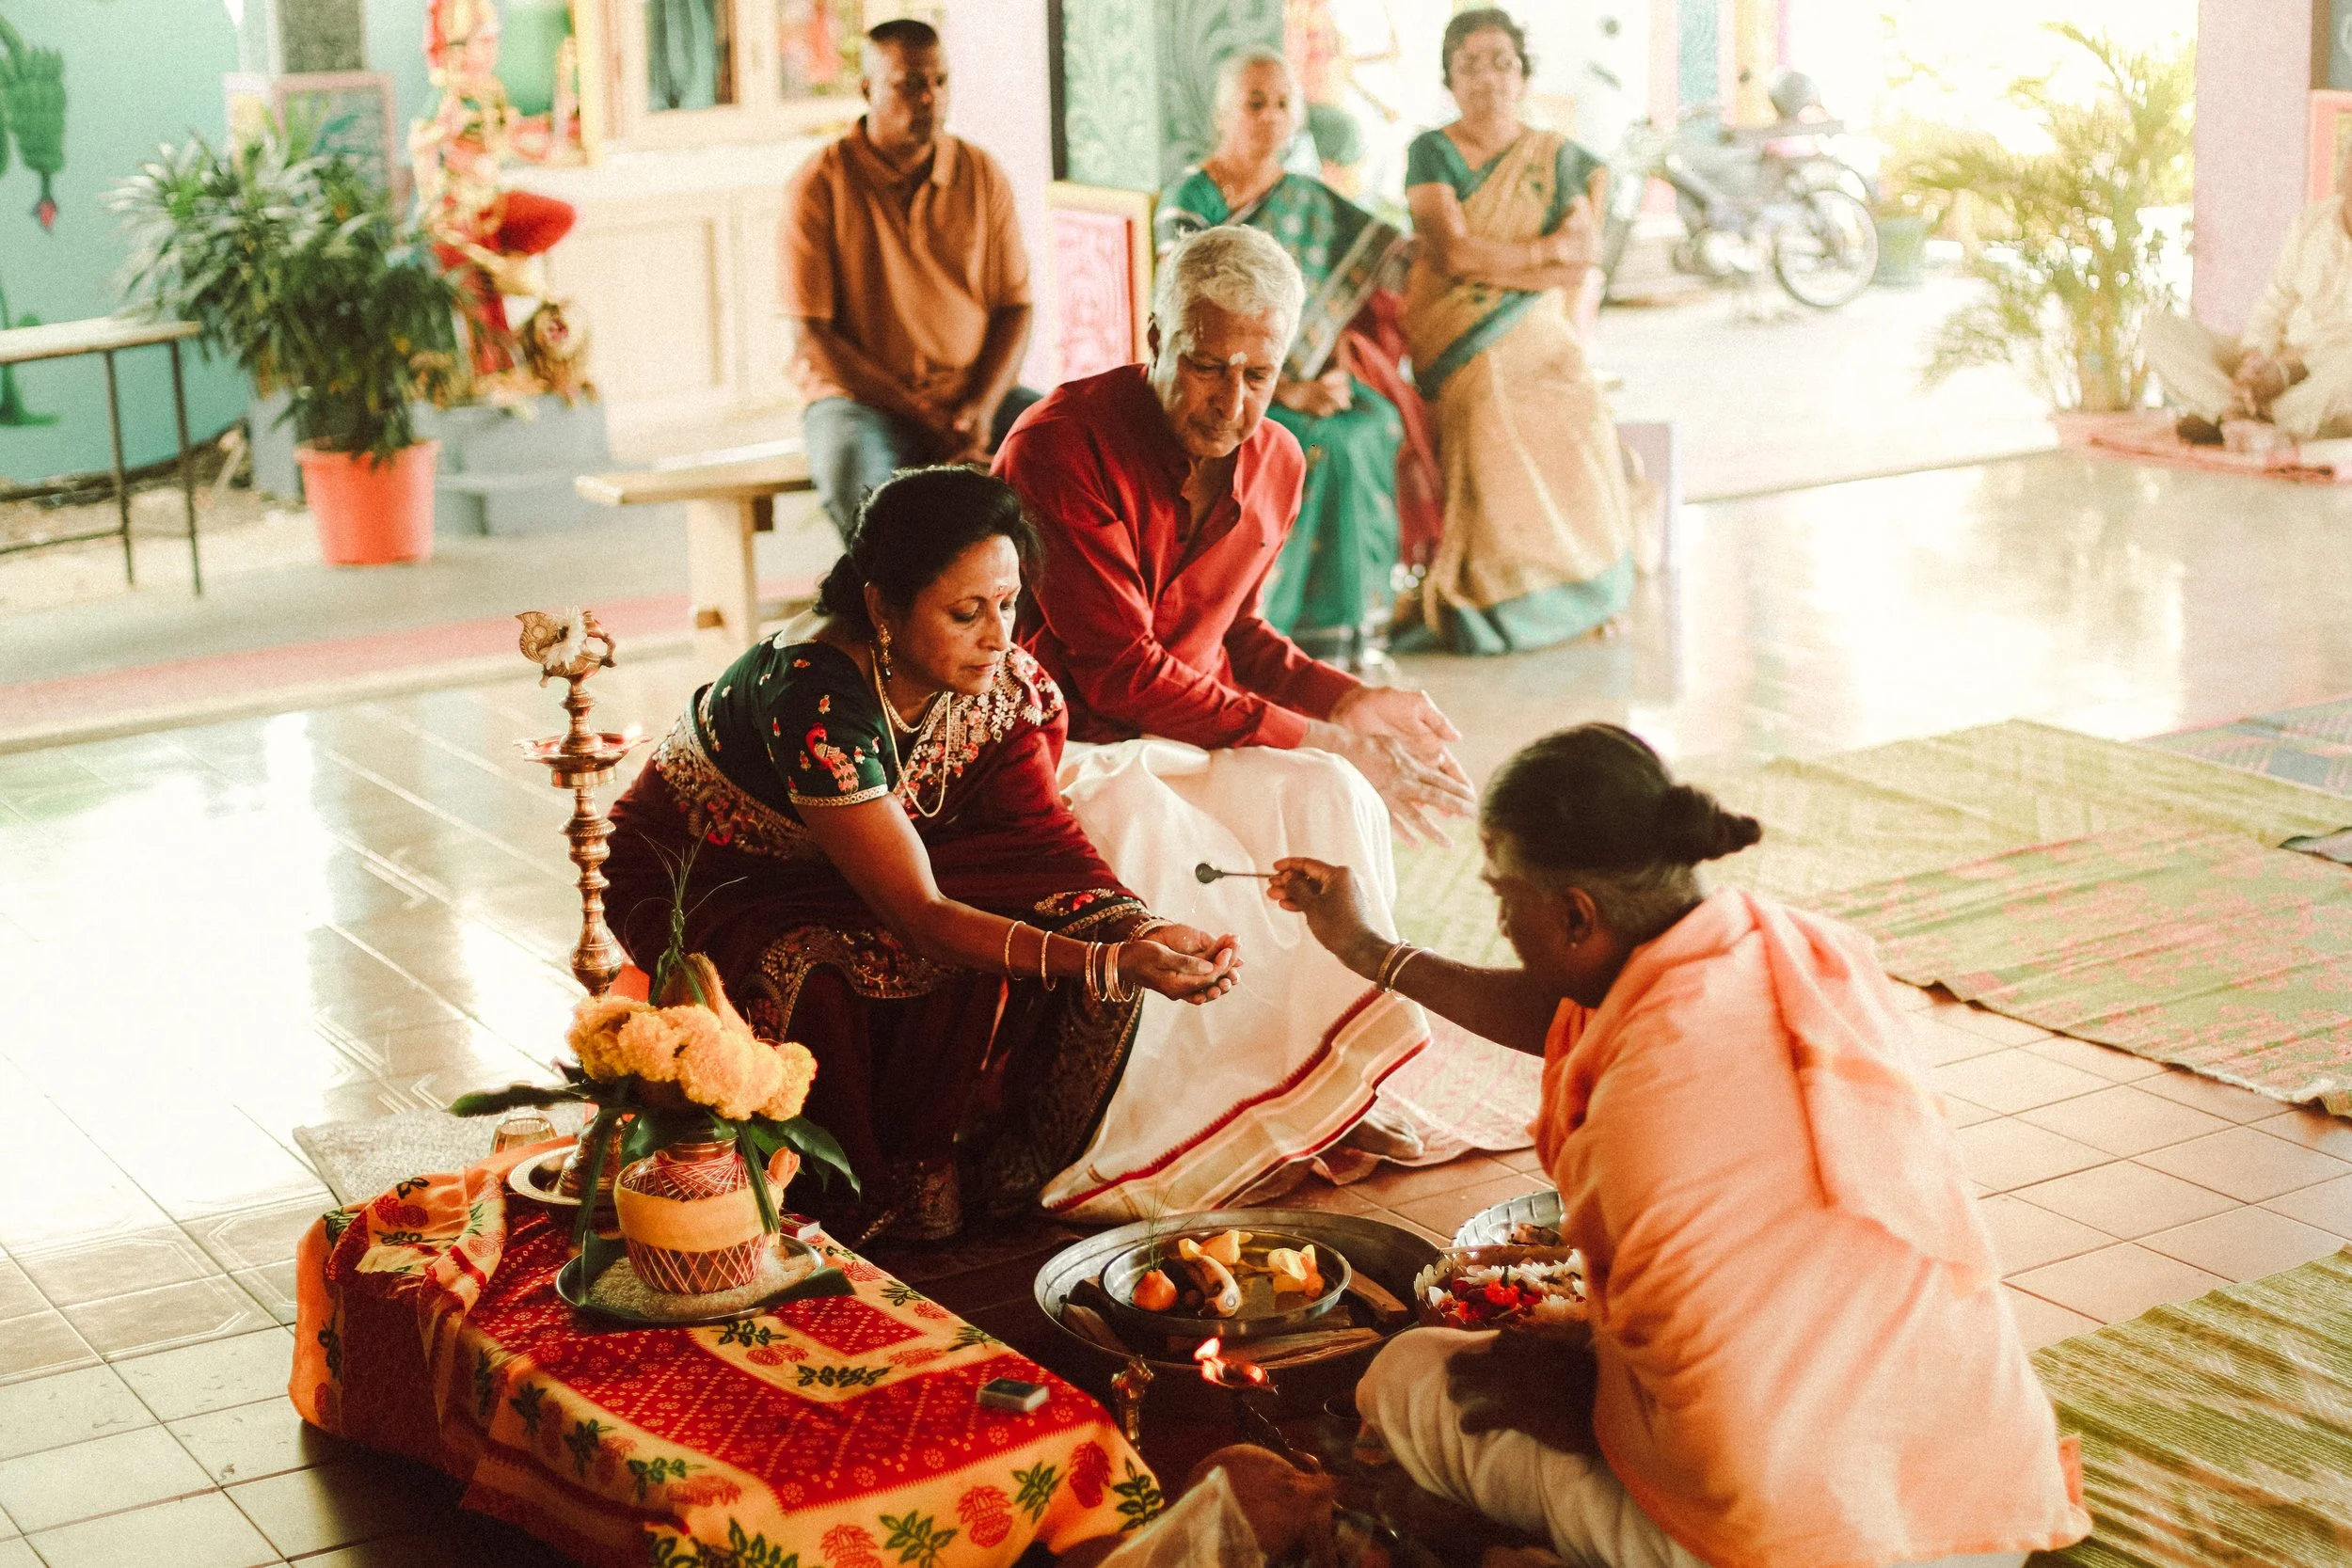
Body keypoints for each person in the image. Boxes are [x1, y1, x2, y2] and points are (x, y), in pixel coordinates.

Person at [1266, 725, 2091, 1568]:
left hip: (1794, 1541)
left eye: (1503, 896)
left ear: (1577, 912)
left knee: (1408, 1381)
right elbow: (1566, 1009)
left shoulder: (1645, 1103)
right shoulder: (1792, 952)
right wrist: (1367, 948)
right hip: (1976, 1505)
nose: (1503, 921)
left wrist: (1583, 1395)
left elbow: (1706, 1441)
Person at [602, 467, 1240, 1245]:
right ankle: (845, 1191)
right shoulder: (817, 701)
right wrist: (1106, 963)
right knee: (818, 965)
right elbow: (924, 914)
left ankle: (978, 1165)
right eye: (966, 611)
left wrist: (1140, 933)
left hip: (874, 855)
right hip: (712, 870)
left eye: (1008, 603)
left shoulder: (1001, 685)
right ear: (880, 605)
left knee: (1083, 926)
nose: (1000, 636)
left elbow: (1037, 841)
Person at [993, 224, 1478, 1221]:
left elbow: (1238, 632)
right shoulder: (1057, 444)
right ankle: (1173, 1138)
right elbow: (1122, 673)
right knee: (1153, 830)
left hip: (1195, 728)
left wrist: (1349, 703)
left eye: (1258, 372)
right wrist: (1325, 729)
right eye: (1206, 365)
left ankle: (1336, 1098)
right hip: (1069, 747)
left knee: (1331, 795)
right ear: (1155, 333)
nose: (1231, 399)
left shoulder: (1279, 460)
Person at [1155, 47, 1441, 665]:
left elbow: (1358, 285)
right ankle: (1275, 628)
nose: (1272, 116)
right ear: (1222, 115)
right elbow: (1190, 319)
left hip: (1308, 377)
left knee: (1374, 421)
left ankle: (1356, 631)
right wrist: (1287, 390)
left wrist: (1335, 365)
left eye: (1284, 103)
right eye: (1254, 103)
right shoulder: (1192, 197)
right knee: (1321, 440)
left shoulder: (1307, 197)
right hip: (1218, 383)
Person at [1400, 8, 1637, 655]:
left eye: (1501, 62)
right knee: (1489, 398)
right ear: (1449, 78)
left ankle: (1585, 588)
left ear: (1523, 74)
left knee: (1579, 397)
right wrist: (1539, 257)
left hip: (1537, 325)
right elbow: (1453, 254)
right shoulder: (1432, 151)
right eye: (1469, 64)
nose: (1487, 78)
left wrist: (1514, 260)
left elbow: (1581, 256)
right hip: (1456, 327)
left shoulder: (1557, 156)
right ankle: (1502, 599)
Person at [781, 19, 1039, 539]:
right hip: (859, 404)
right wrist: (923, 415)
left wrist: (979, 411)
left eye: (941, 82)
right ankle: (889, 619)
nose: (931, 100)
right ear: (867, 89)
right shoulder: (819, 184)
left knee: (1070, 447)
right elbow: (812, 336)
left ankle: (1027, 615)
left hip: (971, 396)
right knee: (870, 499)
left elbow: (1016, 308)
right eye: (910, 84)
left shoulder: (982, 174)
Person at [2147, 142, 2352, 443]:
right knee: (2159, 329)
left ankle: (2247, 419)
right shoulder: (2311, 223)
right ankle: (2236, 413)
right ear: (2342, 174)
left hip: (2322, 374)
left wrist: (2285, 373)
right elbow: (2274, 303)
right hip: (2273, 355)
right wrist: (2254, 358)